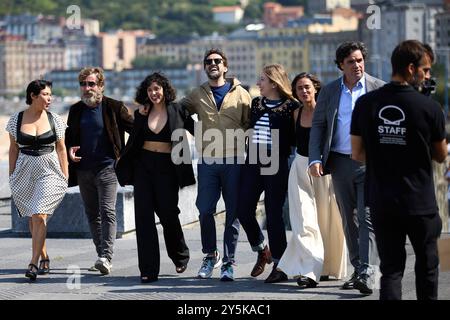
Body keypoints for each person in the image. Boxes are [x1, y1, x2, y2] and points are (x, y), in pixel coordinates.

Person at [351, 40, 447, 300]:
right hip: (420, 203)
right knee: (427, 269)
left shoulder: (366, 104)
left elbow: (357, 153)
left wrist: (385, 149)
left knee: (391, 270)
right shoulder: (430, 108)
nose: (428, 76)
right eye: (425, 70)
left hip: (382, 200)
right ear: (411, 68)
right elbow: (441, 155)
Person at [309, 41, 384, 294]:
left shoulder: (378, 89)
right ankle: (358, 267)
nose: (357, 65)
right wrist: (314, 158)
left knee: (367, 217)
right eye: (351, 61)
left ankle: (368, 272)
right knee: (349, 218)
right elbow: (318, 126)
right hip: (339, 162)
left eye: (360, 60)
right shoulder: (330, 91)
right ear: (341, 65)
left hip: (370, 164)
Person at [115, 72, 195, 283]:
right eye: (150, 90)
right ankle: (149, 269)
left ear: (164, 90)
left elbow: (199, 131)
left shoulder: (178, 110)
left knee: (169, 214)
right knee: (143, 218)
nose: (153, 93)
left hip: (168, 167)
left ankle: (180, 255)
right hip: (143, 166)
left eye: (157, 89)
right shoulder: (142, 113)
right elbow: (133, 139)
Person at [180, 48, 252, 281]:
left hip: (234, 161)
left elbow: (250, 126)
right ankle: (211, 255)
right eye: (209, 61)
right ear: (204, 67)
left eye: (217, 61)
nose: (213, 64)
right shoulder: (196, 94)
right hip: (208, 161)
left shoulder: (241, 93)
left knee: (233, 213)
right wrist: (196, 132)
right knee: (204, 210)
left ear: (225, 66)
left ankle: (229, 263)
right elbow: (178, 112)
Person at [277, 73, 347, 288]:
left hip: (324, 170)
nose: (304, 91)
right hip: (300, 168)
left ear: (316, 88)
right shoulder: (295, 113)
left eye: (307, 87)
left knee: (327, 220)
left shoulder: (326, 112)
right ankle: (308, 271)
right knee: (304, 221)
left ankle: (325, 266)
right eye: (299, 88)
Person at [65, 67, 133, 275]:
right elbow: (69, 137)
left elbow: (136, 131)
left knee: (107, 211)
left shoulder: (114, 107)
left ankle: (106, 256)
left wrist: (125, 156)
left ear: (101, 86)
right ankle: (101, 254)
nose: (87, 88)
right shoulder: (76, 110)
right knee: (92, 214)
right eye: (83, 84)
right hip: (84, 170)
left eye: (91, 84)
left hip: (108, 168)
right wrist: (69, 150)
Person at [237, 64, 298, 283]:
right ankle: (262, 248)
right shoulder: (256, 104)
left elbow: (298, 137)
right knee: (242, 209)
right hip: (253, 161)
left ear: (274, 82)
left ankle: (280, 264)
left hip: (276, 163)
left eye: (262, 80)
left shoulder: (292, 106)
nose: (258, 83)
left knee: (274, 214)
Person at [6, 79, 68, 281]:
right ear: (33, 96)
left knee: (40, 214)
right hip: (24, 171)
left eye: (50, 94)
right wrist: (12, 175)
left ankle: (33, 263)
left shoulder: (55, 119)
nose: (49, 98)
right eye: (45, 94)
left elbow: (61, 148)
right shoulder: (16, 120)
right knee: (34, 219)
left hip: (48, 169)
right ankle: (44, 256)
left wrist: (65, 174)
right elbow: (14, 149)